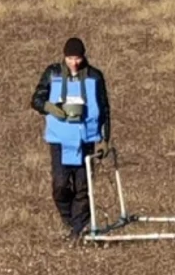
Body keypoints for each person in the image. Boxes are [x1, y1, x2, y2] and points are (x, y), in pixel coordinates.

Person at [31, 37, 112, 240]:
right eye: (70, 58)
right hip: (59, 140)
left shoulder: (95, 77)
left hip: (86, 140)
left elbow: (104, 110)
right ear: (64, 57)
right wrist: (50, 108)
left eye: (77, 58)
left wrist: (104, 140)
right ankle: (69, 222)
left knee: (84, 188)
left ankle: (78, 231)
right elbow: (36, 99)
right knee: (60, 186)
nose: (74, 62)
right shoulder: (52, 73)